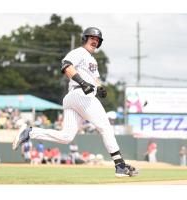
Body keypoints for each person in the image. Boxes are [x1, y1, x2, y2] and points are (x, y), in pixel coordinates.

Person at [12, 27, 138, 177]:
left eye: (97, 40)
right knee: (105, 126)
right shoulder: (79, 52)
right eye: (92, 38)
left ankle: (30, 132)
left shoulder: (92, 59)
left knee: (66, 137)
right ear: (85, 39)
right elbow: (66, 65)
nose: (95, 41)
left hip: (74, 97)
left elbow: (95, 79)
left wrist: (100, 88)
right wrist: (83, 83)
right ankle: (120, 165)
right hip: (80, 94)